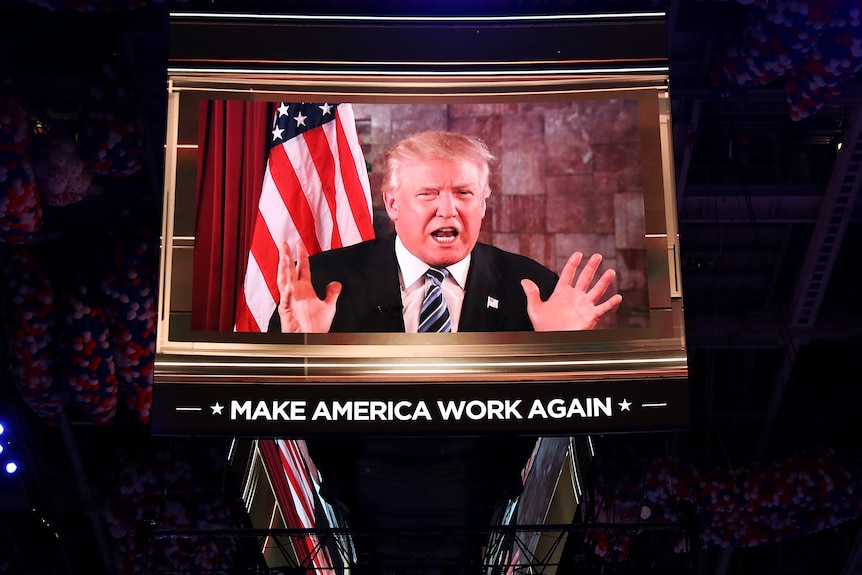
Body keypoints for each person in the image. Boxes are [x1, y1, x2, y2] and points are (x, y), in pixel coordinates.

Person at [271, 130, 622, 334]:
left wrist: (563, 353)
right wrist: (299, 353)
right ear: (392, 204)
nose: (448, 209)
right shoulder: (321, 283)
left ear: (483, 204)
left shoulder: (536, 290)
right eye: (427, 194)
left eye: (464, 193)